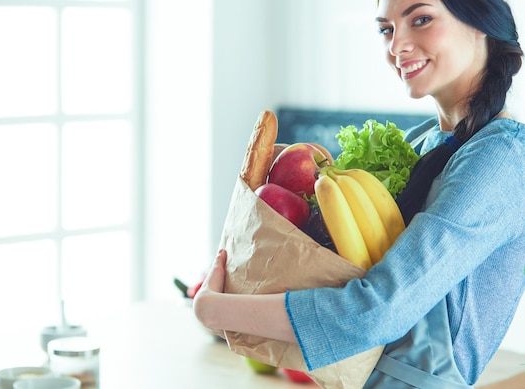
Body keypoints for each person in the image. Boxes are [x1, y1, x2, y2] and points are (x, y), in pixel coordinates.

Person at [193, 0, 525, 387]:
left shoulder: (501, 158)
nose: (396, 46)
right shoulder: (420, 143)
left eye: (421, 19)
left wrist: (217, 311)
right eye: (386, 29)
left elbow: (378, 311)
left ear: (481, 23)